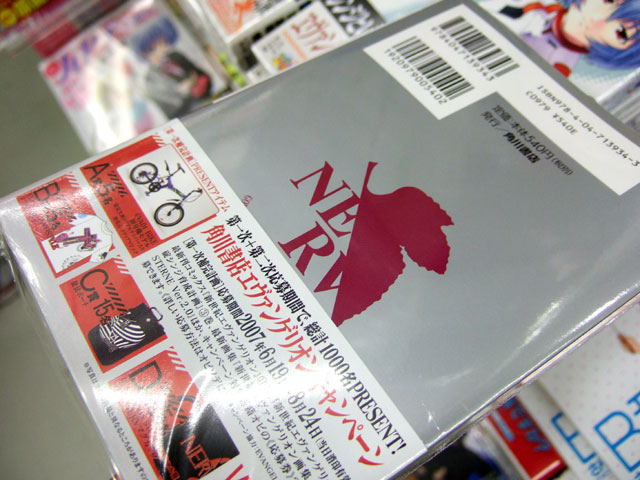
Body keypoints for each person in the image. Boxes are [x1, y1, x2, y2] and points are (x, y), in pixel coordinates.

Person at [482, 0, 640, 76]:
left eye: (620, 32)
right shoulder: (536, 5)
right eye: (608, 0)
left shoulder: (563, 64)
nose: (597, 16)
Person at [132, 17, 213, 117]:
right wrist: (188, 91)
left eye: (162, 42)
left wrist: (197, 81)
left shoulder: (176, 56)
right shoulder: (151, 79)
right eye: (154, 47)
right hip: (194, 113)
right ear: (146, 53)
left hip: (209, 98)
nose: (162, 48)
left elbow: (201, 73)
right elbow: (172, 108)